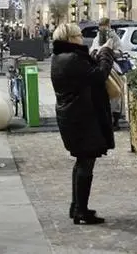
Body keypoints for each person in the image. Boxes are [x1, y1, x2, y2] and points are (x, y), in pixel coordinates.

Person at [50, 22, 114, 225]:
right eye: (78, 35)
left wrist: (95, 56)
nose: (81, 38)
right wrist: (106, 53)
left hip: (73, 116)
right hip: (81, 117)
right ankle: (81, 211)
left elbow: (85, 74)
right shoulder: (72, 59)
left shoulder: (61, 58)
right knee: (86, 162)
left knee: (81, 161)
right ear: (70, 39)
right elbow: (99, 75)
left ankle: (76, 206)